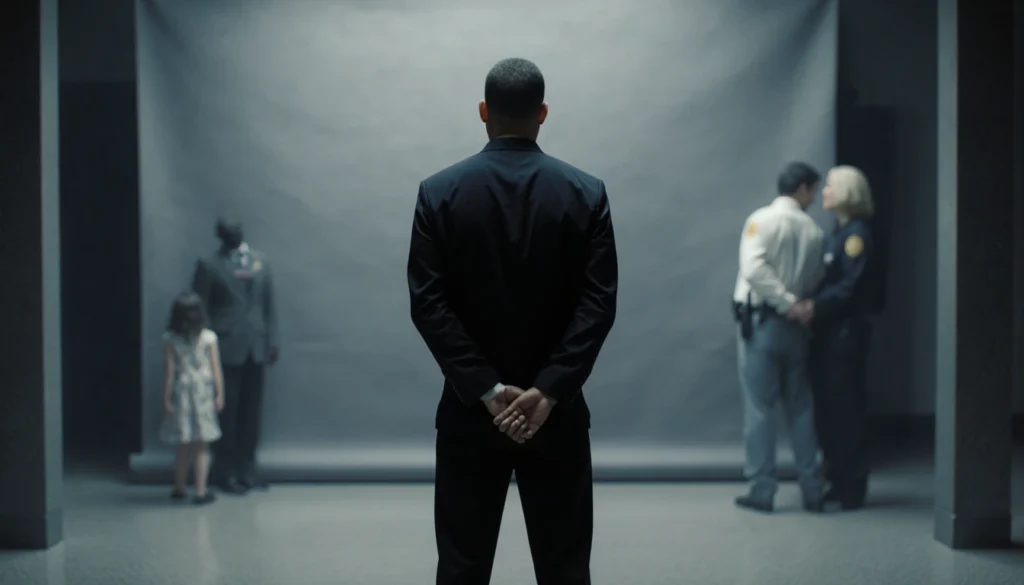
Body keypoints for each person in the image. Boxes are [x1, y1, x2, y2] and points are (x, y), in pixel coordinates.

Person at [408, 57, 618, 585]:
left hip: (470, 414)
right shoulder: (585, 193)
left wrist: (486, 388)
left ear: (483, 111)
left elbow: (428, 305)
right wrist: (547, 392)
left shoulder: (439, 192)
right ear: (542, 113)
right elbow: (598, 305)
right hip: (559, 417)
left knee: (462, 568)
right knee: (565, 569)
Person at [732, 161, 826, 513]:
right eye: (814, 189)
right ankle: (812, 489)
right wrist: (798, 306)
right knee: (801, 408)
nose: (815, 197)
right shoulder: (814, 230)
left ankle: (762, 490)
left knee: (760, 409)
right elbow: (817, 276)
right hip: (797, 327)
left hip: (764, 323)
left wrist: (785, 304)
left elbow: (753, 269)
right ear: (802, 188)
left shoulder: (762, 220)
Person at [805, 165, 876, 510]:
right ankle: (838, 479)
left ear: (848, 191)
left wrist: (812, 307)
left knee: (846, 409)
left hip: (845, 334)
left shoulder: (857, 235)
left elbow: (849, 288)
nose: (825, 193)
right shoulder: (838, 232)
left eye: (831, 186)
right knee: (831, 409)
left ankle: (852, 486)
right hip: (830, 333)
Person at [191, 218, 279, 495]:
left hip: (256, 347)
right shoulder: (209, 265)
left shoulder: (260, 261)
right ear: (220, 236)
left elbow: (268, 304)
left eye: (235, 230)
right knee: (226, 414)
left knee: (251, 414)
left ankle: (248, 470)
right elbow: (199, 308)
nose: (231, 235)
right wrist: (202, 348)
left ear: (241, 231)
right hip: (224, 348)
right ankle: (225, 472)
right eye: (225, 232)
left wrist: (272, 340)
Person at [159, 291, 225, 506]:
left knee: (183, 443)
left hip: (182, 391)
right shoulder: (208, 337)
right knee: (202, 444)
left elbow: (169, 373)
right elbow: (216, 369)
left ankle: (179, 488)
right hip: (203, 392)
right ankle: (200, 491)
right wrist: (219, 394)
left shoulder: (170, 338)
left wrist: (166, 399)